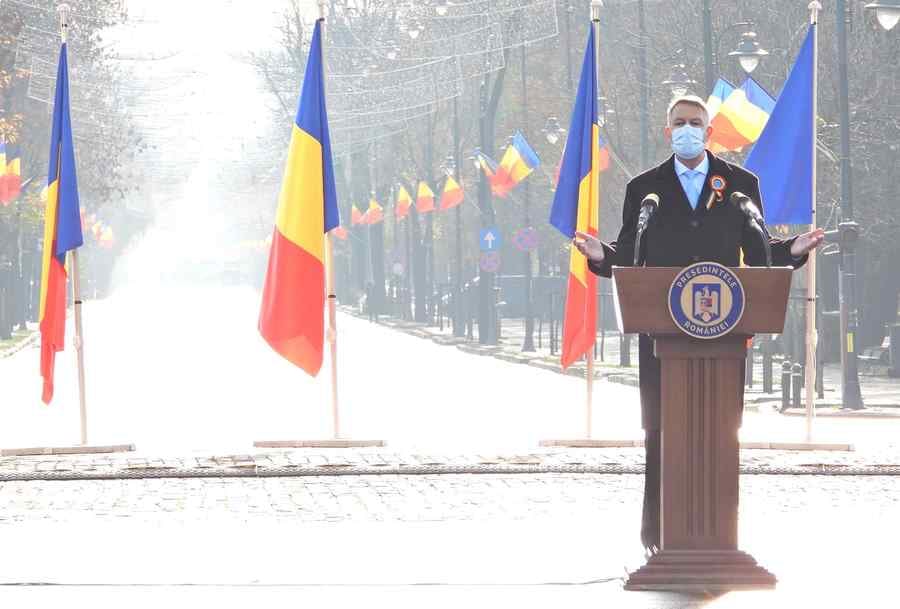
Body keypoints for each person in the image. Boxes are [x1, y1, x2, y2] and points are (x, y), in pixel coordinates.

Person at [572, 95, 824, 556]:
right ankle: (659, 535)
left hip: (722, 337)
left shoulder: (741, 185)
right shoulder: (645, 189)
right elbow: (630, 254)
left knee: (721, 430)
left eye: (696, 123)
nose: (688, 129)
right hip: (661, 336)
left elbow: (760, 247)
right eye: (679, 123)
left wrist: (794, 250)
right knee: (661, 431)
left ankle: (720, 537)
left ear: (709, 132)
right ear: (667, 132)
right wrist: (600, 257)